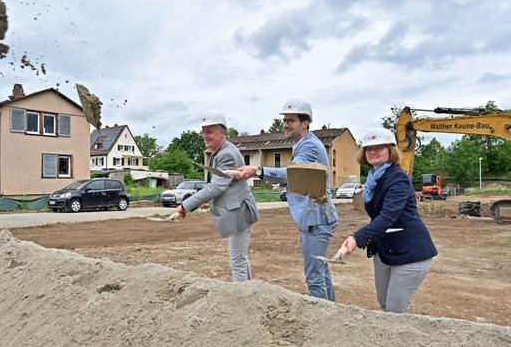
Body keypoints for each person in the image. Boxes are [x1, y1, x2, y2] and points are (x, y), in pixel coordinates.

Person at [239, 99, 338, 301]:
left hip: (316, 221)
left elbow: (292, 173)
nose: (285, 125)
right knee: (321, 271)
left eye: (291, 120)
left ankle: (322, 321)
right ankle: (332, 312)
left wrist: (258, 170)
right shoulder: (301, 145)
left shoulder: (309, 146)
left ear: (305, 123)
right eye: (285, 120)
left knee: (315, 277)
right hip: (314, 219)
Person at [340, 129, 437, 313]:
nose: (373, 152)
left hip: (410, 253)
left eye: (379, 147)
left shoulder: (397, 178)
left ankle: (404, 342)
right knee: (385, 305)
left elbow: (387, 217)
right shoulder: (373, 179)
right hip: (386, 250)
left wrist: (357, 237)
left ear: (390, 150)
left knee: (395, 311)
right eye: (369, 149)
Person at [175, 113, 259, 282]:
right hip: (236, 210)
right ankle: (250, 292)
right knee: (240, 258)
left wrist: (185, 206)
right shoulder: (218, 152)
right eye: (204, 131)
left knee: (237, 262)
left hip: (239, 212)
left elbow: (216, 187)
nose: (205, 136)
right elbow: (221, 186)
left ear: (223, 133)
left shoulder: (226, 154)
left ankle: (243, 299)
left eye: (210, 132)